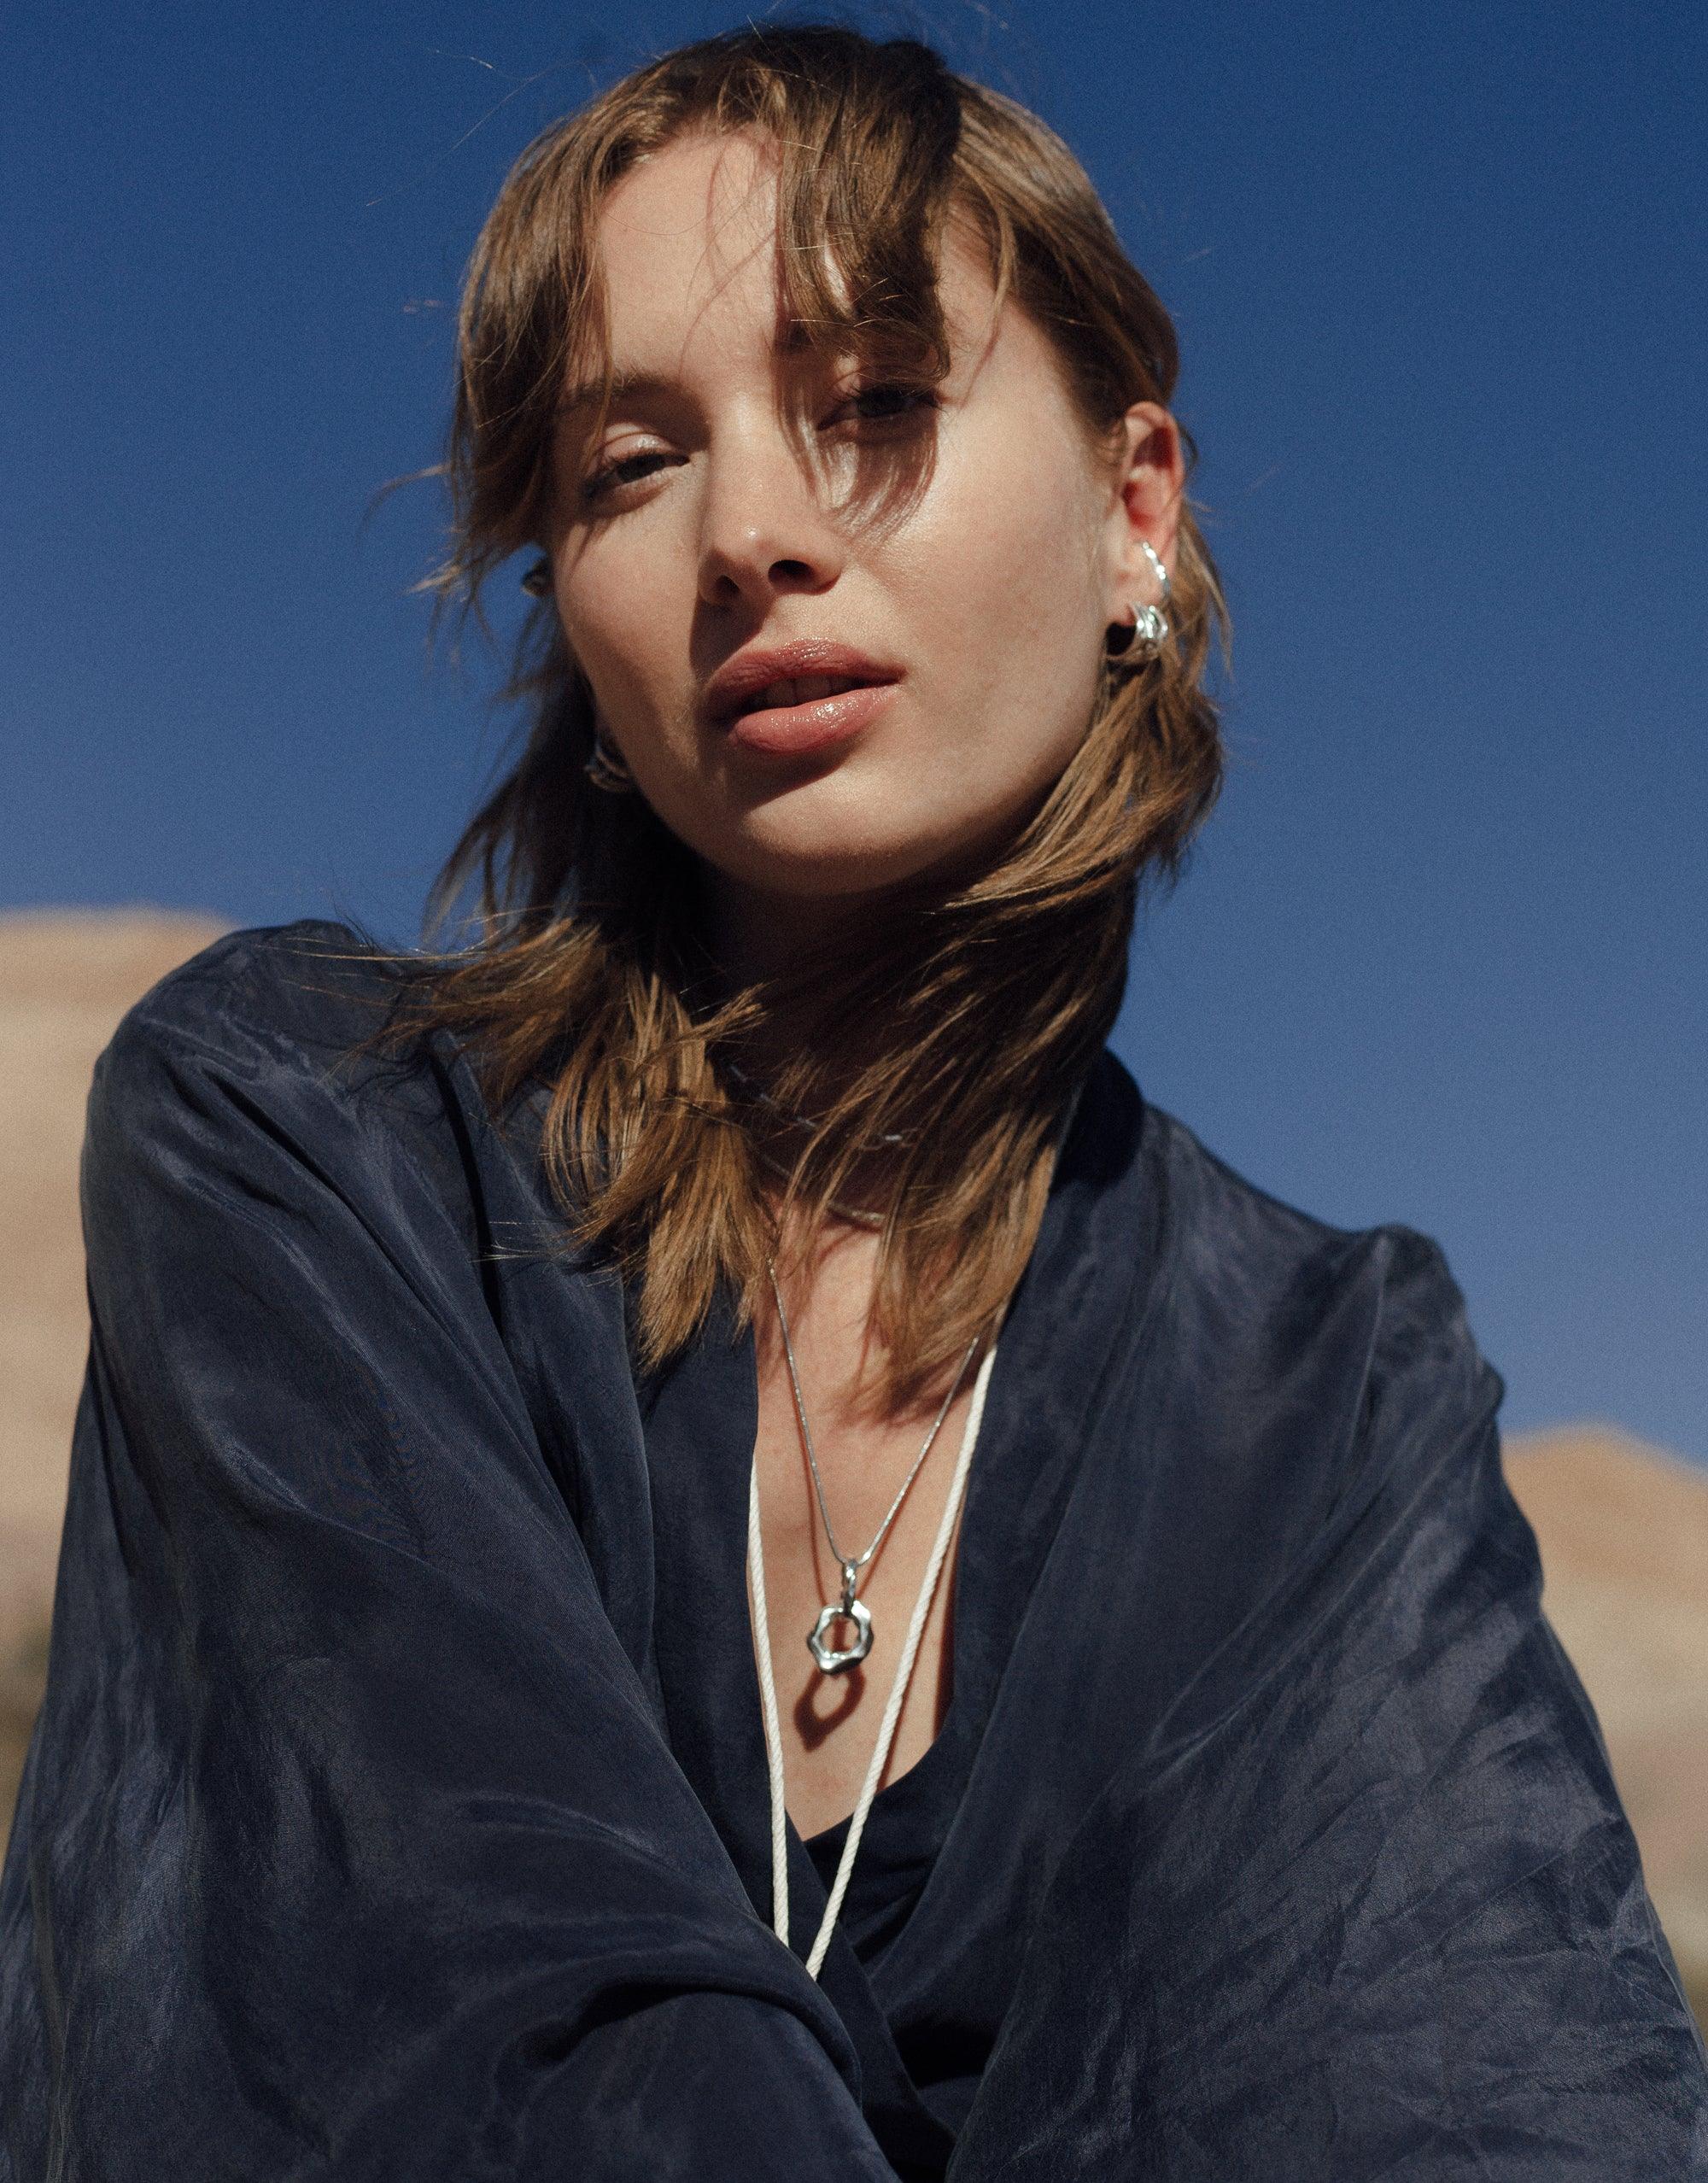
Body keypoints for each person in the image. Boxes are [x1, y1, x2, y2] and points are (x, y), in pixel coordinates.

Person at [2, 23, 1704, 2180]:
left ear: (1134, 512)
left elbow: (1476, 2089)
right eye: (628, 466)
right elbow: (410, 2019)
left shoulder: (1325, 1396)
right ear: (575, 627)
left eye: (875, 402)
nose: (751, 534)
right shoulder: (310, 1145)